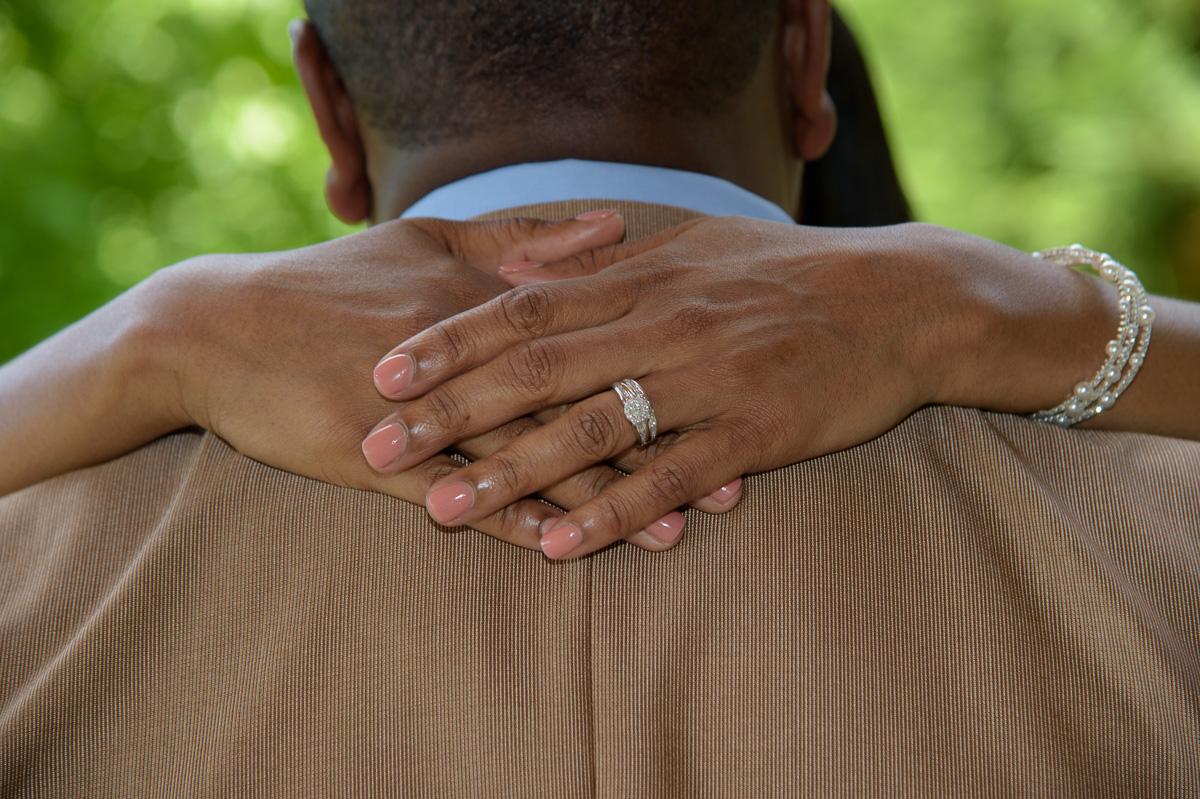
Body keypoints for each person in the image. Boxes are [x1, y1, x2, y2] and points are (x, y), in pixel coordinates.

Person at [1, 0, 1197, 794]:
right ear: (804, 54)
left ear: (326, 104)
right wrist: (1025, 314)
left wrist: (144, 339)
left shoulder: (32, 577)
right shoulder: (1164, 545)